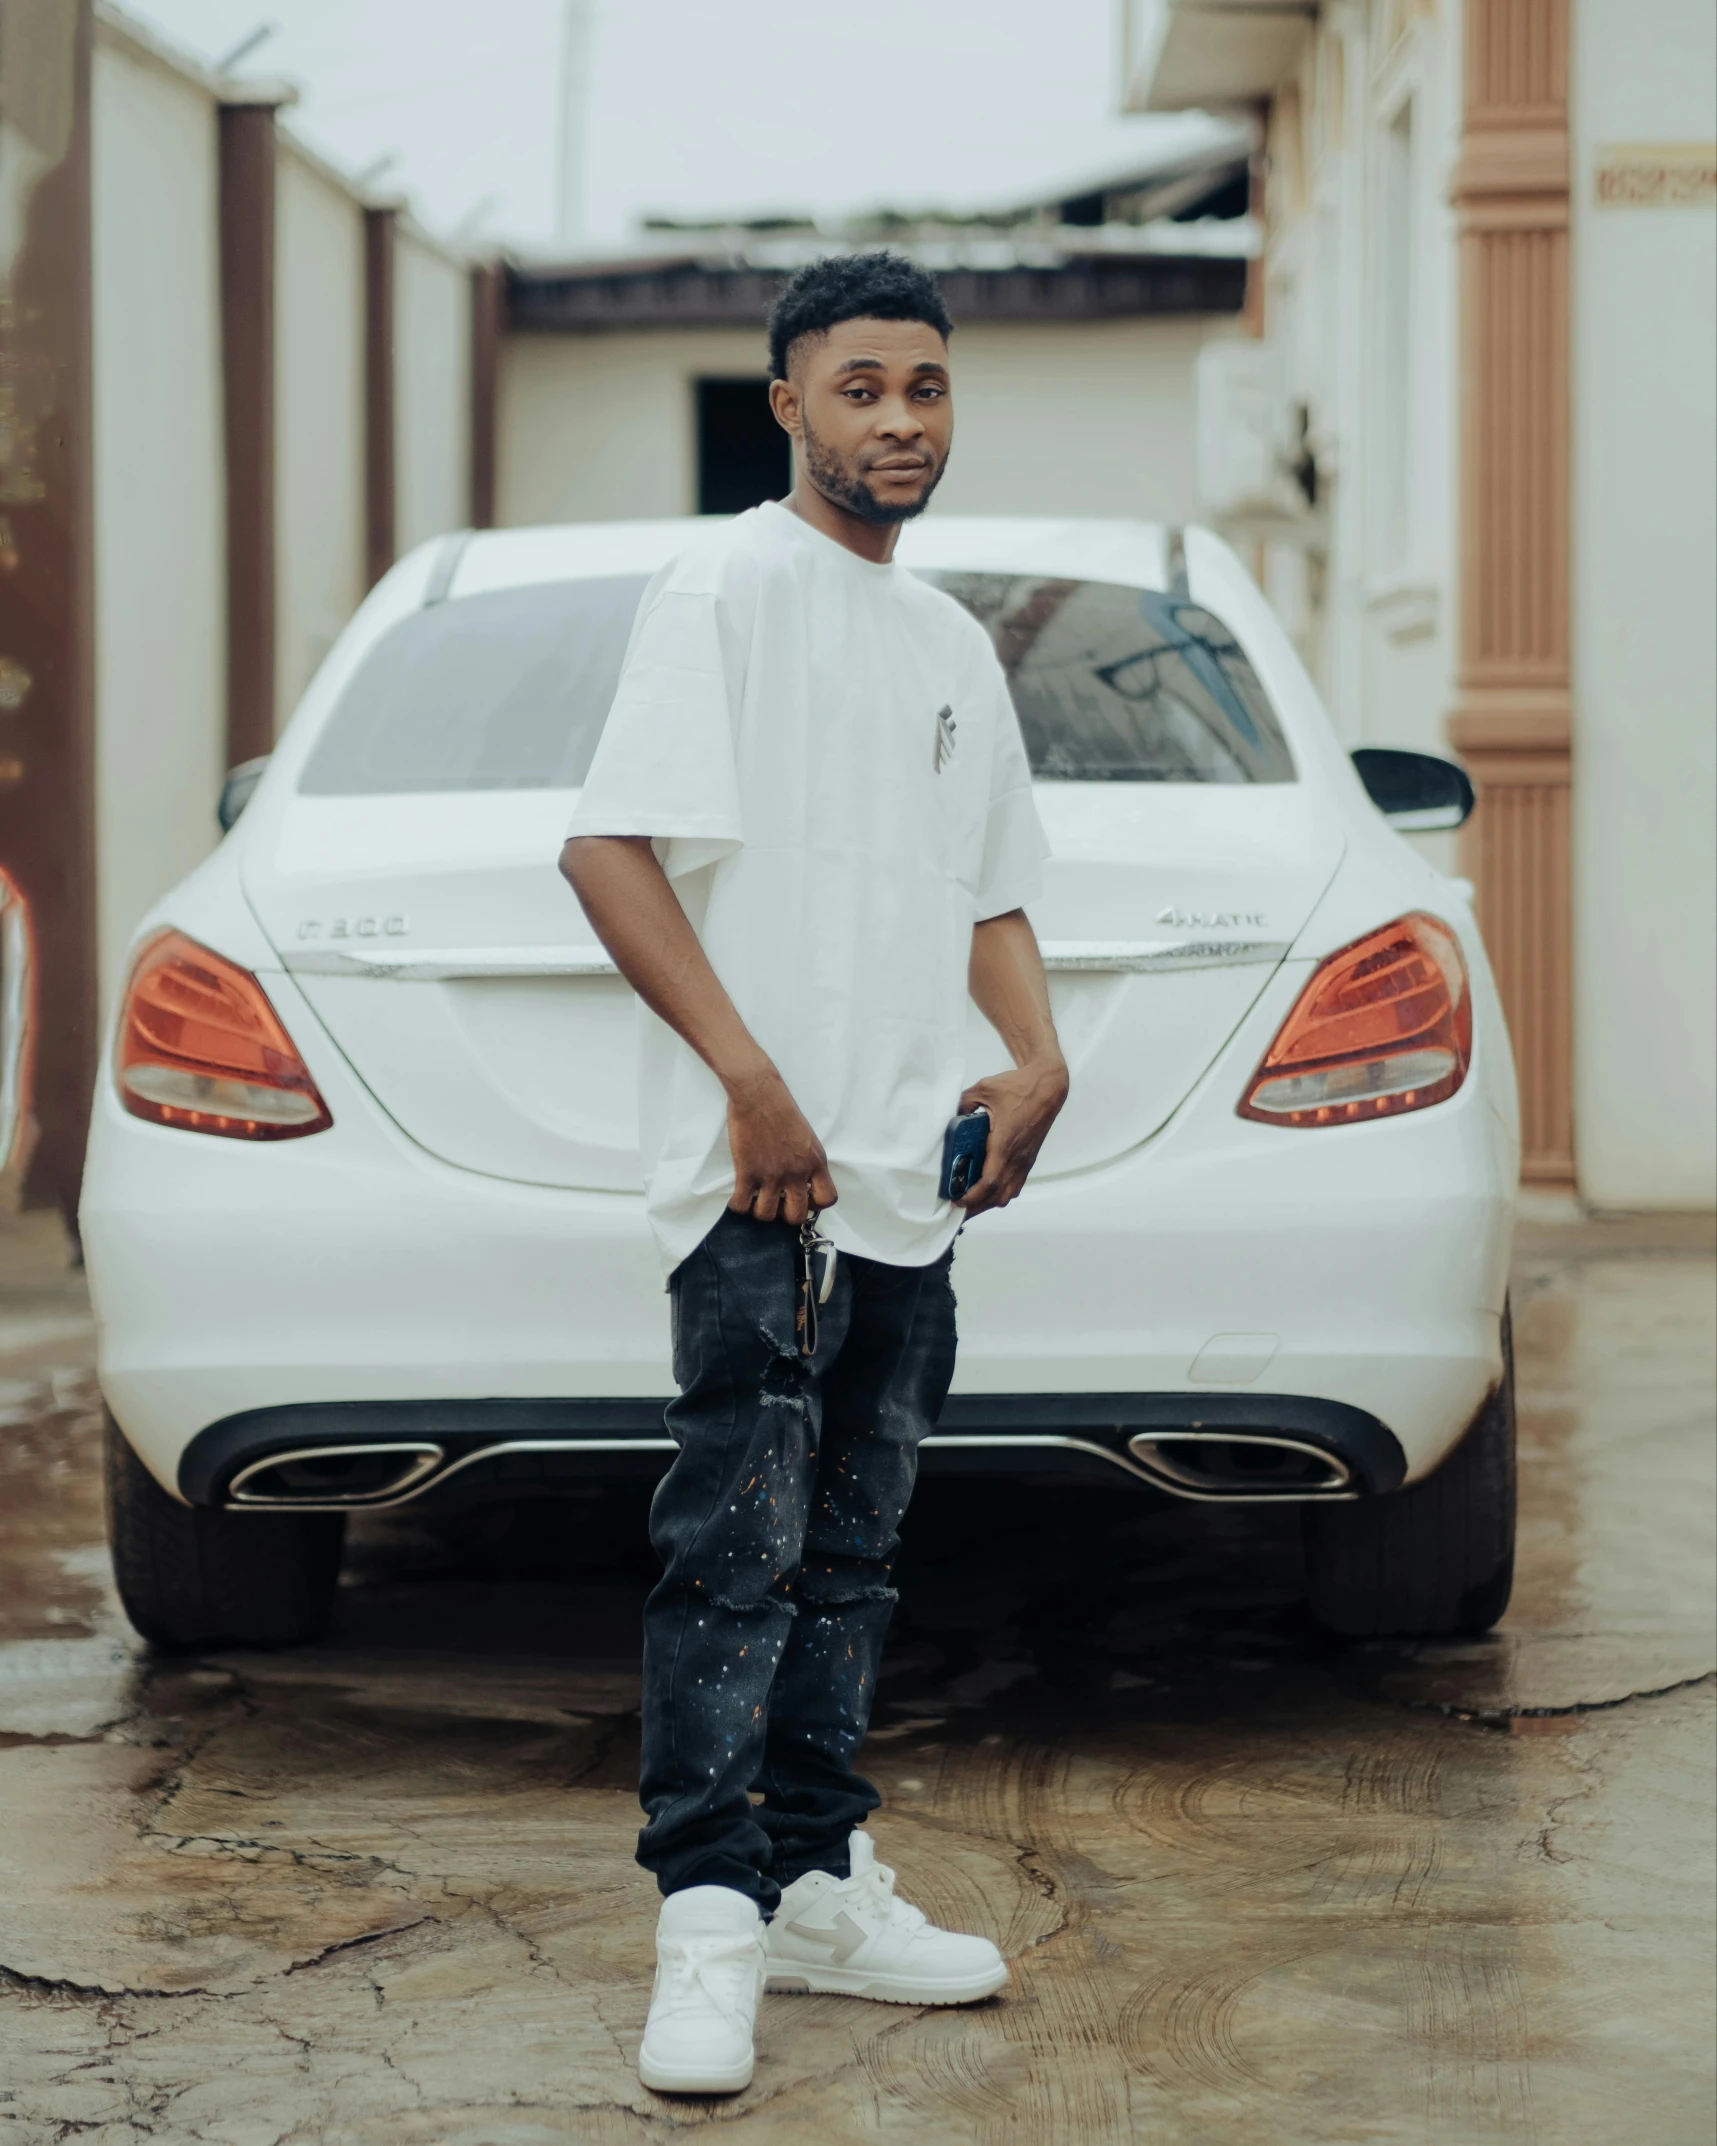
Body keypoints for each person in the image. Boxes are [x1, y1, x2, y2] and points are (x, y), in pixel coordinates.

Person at [560, 251, 1069, 2097]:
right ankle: (705, 1923)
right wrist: (750, 1089)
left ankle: (819, 1883)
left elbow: (990, 888)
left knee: (853, 1556)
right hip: (761, 1180)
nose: (901, 422)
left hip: (909, 1174)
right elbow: (610, 853)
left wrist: (1039, 1055)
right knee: (735, 1559)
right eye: (861, 388)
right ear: (787, 404)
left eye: (925, 388)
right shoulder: (724, 586)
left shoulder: (946, 642)